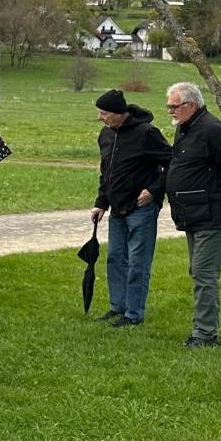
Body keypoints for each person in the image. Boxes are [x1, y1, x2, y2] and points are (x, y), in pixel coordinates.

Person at [164, 82, 221, 348]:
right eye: (169, 106)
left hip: (214, 214)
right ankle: (202, 330)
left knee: (204, 273)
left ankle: (205, 335)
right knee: (197, 271)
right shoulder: (185, 128)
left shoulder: (213, 130)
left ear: (190, 105)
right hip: (194, 213)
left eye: (174, 106)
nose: (170, 111)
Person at [92, 88, 171, 328]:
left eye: (103, 113)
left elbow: (173, 162)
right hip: (116, 208)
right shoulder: (105, 135)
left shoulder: (147, 133)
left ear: (118, 113)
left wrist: (154, 191)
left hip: (142, 209)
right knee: (115, 259)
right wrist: (101, 202)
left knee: (138, 262)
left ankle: (134, 314)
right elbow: (106, 171)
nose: (100, 118)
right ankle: (118, 307)